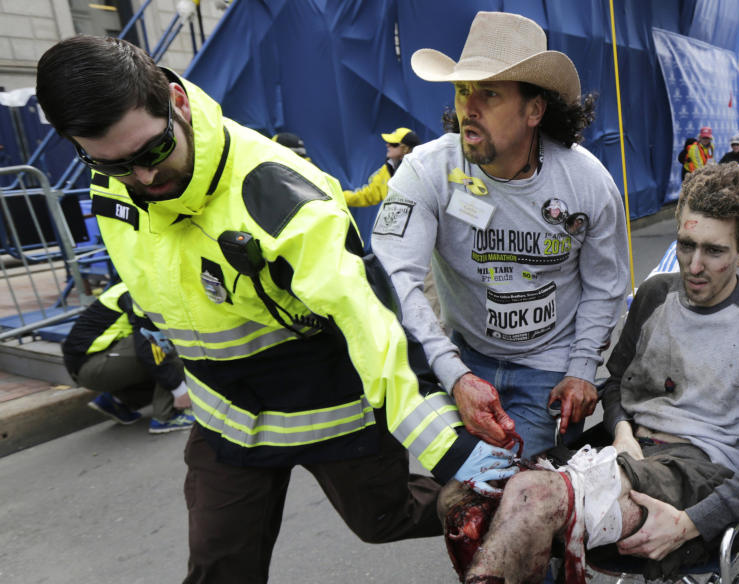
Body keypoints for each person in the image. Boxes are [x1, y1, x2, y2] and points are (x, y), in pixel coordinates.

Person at [36, 36, 514, 582]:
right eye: (111, 164)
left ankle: (520, 501)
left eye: (152, 153)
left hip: (325, 401)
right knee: (221, 566)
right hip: (227, 415)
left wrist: (453, 451)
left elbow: (372, 323)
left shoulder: (276, 193)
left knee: (384, 518)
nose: (142, 180)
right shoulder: (115, 179)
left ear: (178, 102)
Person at [442, 163, 739, 584]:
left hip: (698, 469)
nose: (694, 265)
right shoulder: (656, 295)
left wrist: (693, 522)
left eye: (714, 251)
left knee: (536, 500)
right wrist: (620, 429)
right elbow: (617, 381)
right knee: (464, 501)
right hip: (623, 449)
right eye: (686, 244)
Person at [370, 11, 630, 458]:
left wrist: (583, 369)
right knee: (471, 500)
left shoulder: (587, 182)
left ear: (535, 109)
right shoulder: (427, 172)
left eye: (489, 93)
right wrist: (454, 374)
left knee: (522, 504)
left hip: (550, 369)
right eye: (463, 90)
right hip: (462, 358)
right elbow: (394, 279)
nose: (468, 107)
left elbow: (606, 284)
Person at [62, 281, 194, 433]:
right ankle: (166, 417)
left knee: (157, 357)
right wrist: (180, 389)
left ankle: (119, 402)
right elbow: (149, 350)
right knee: (166, 345)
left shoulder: (136, 284)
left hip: (89, 366)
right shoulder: (142, 294)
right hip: (93, 366)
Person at [342, 127, 420, 207]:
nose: (388, 145)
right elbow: (368, 195)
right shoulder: (386, 169)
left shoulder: (420, 171)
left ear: (406, 149)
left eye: (393, 144)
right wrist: (339, 197)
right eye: (388, 142)